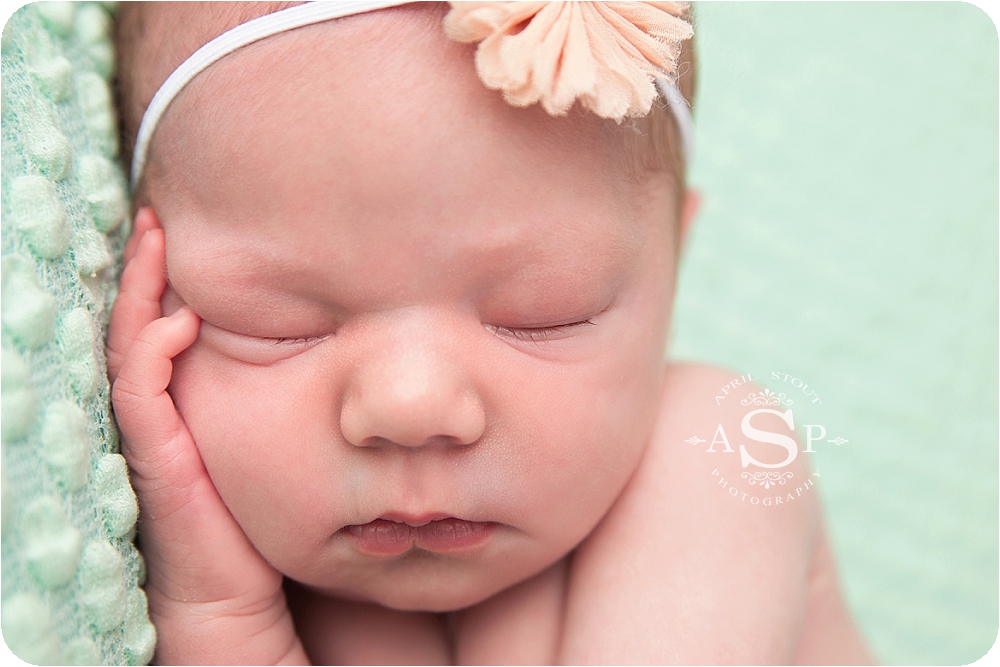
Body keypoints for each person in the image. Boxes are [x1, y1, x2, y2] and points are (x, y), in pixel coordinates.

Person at [108, 2, 873, 663]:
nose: (411, 406)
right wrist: (218, 615)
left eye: (541, 311)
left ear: (674, 258)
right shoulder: (276, 578)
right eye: (278, 324)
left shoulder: (712, 457)